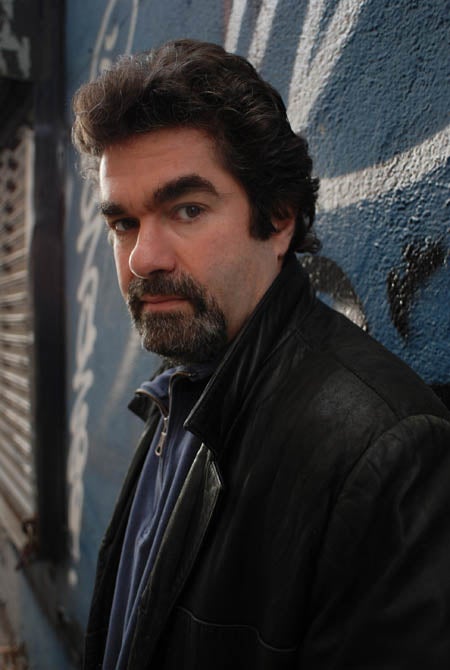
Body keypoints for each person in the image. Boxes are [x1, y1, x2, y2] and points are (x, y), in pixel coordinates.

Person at [72, 39, 450, 670]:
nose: (143, 258)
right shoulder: (181, 386)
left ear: (277, 219)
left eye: (186, 210)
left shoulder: (386, 453)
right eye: (123, 223)